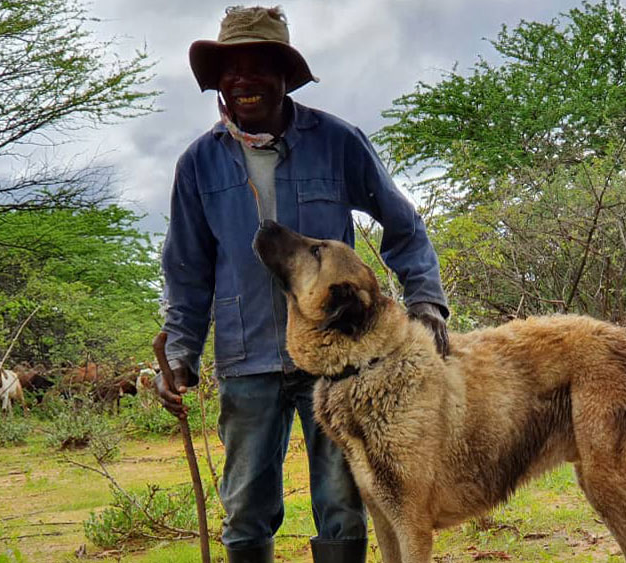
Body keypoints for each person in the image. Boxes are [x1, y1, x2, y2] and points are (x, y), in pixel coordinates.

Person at [155, 6, 449, 563]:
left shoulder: (338, 141)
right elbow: (187, 269)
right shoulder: (198, 163)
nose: (243, 79)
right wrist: (180, 351)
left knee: (342, 502)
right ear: (217, 81)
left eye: (259, 65)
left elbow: (403, 224)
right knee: (244, 506)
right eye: (230, 68)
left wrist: (426, 302)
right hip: (247, 357)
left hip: (338, 361)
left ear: (285, 76)